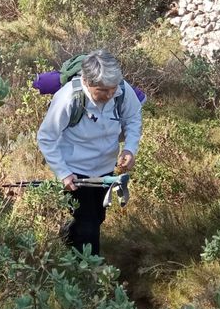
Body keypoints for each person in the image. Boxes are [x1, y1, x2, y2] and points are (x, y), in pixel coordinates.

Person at [36, 50, 142, 256]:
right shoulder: (68, 97)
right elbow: (46, 137)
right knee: (88, 226)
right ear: (86, 81)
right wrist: (63, 173)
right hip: (75, 172)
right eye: (102, 90)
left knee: (98, 217)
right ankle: (90, 273)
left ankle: (67, 235)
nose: (109, 95)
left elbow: (133, 117)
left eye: (112, 90)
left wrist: (130, 148)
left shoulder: (121, 90)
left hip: (105, 169)